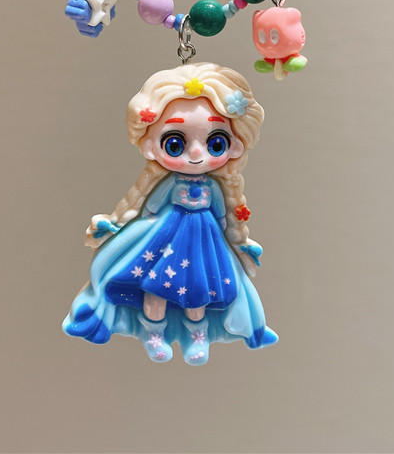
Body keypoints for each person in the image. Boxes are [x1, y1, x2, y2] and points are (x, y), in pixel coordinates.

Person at [62, 62, 278, 364]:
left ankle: (197, 337)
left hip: (204, 247)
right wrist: (120, 228)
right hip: (164, 244)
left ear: (235, 146)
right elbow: (148, 210)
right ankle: (153, 335)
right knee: (156, 289)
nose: (196, 153)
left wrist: (239, 242)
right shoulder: (169, 184)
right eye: (175, 144)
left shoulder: (215, 189)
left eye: (216, 143)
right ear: (151, 146)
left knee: (198, 293)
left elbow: (224, 218)